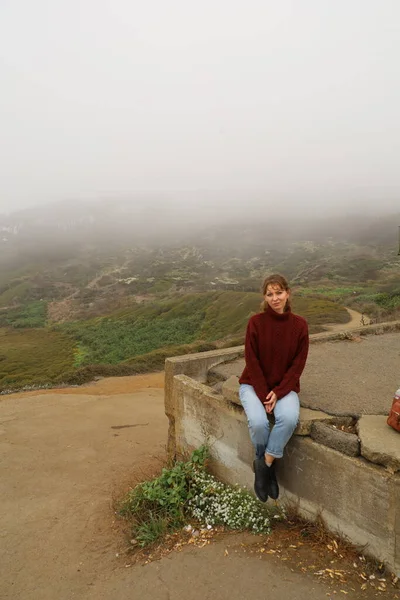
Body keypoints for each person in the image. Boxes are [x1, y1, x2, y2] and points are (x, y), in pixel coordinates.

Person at [239, 274, 309, 502]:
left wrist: (278, 392)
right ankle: (268, 471)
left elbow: (297, 366)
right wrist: (263, 394)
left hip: (284, 388)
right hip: (253, 385)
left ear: (287, 293)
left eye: (279, 293)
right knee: (259, 423)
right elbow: (251, 360)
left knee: (288, 419)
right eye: (270, 294)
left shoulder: (300, 326)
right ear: (264, 297)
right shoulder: (256, 323)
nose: (275, 298)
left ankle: (264, 465)